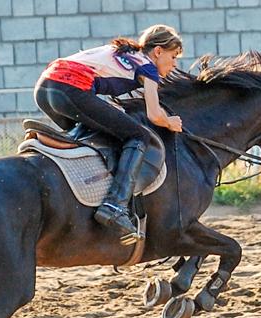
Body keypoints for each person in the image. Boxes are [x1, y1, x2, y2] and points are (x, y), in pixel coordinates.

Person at [34, 24, 183, 244]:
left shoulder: (125, 52)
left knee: (97, 135)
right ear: (158, 51)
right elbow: (154, 115)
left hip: (45, 89)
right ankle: (115, 205)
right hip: (70, 89)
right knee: (138, 137)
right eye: (173, 56)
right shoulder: (148, 67)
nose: (175, 64)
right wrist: (169, 122)